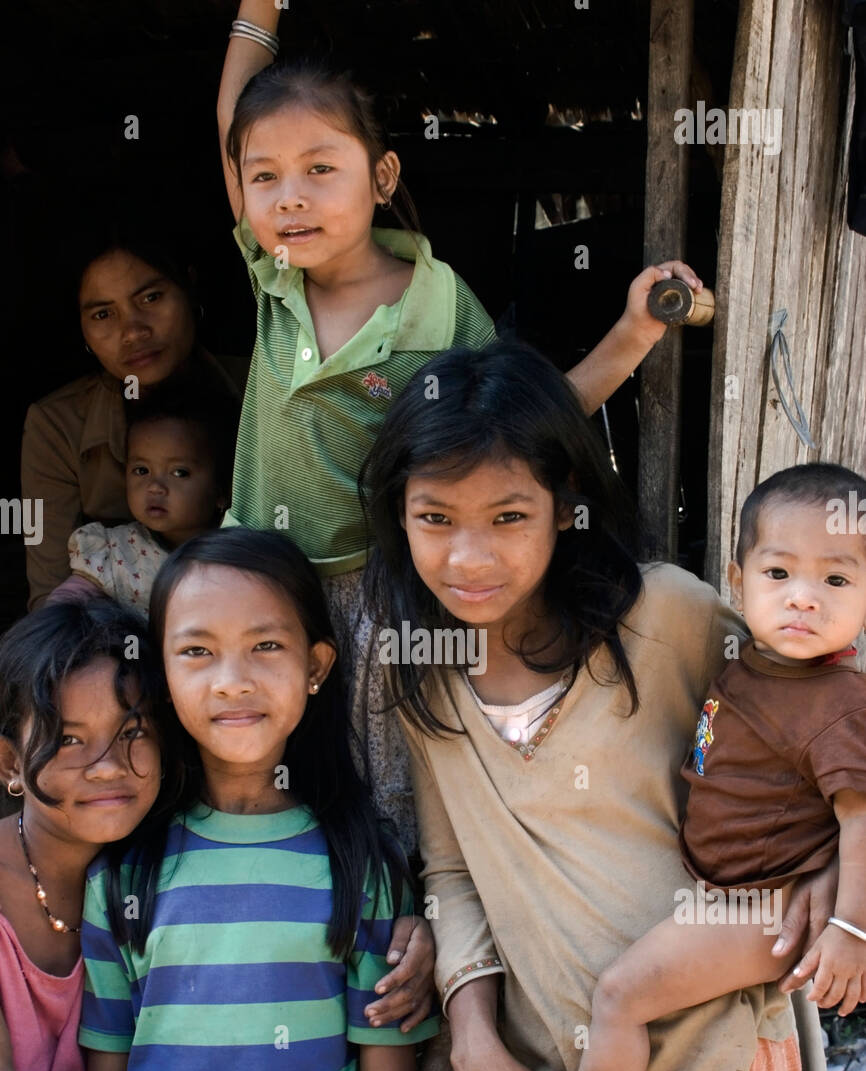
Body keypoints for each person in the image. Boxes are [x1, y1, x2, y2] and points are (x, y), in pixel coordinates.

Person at [361, 340, 844, 1071]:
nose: (470, 555)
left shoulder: (668, 620)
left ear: (566, 503)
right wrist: (475, 1046)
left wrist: (836, 876)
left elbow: (819, 719)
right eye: (434, 518)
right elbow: (453, 875)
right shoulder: (419, 671)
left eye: (509, 516)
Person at [216, 2, 702, 848]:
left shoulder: (438, 307)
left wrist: (634, 333)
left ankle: (403, 919)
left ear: (383, 175)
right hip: (258, 573)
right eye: (265, 178)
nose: (289, 198)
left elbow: (529, 417)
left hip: (376, 590)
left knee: (379, 782)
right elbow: (232, 120)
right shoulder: (273, 273)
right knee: (252, 759)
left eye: (320, 169)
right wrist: (258, 15)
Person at [79, 530, 439, 1071]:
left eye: (265, 646)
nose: (231, 680)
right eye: (197, 652)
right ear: (162, 675)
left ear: (315, 668)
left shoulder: (359, 867)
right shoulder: (124, 876)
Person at [548, 463, 866, 1071]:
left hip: (767, 906)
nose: (804, 600)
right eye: (780, 573)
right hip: (727, 888)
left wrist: (851, 930)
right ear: (738, 576)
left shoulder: (838, 703)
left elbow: (861, 824)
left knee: (622, 995)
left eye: (837, 582)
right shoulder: (753, 662)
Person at [0, 601, 277, 1071]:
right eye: (67, 741)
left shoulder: (169, 873)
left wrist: (413, 927)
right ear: (9, 763)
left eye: (133, 733)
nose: (107, 767)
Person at [20, 239, 241, 609]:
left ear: (188, 288)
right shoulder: (54, 426)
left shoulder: (263, 386)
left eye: (151, 298)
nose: (133, 332)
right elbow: (50, 604)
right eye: (103, 314)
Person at [48, 387, 237, 616]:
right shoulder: (117, 553)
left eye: (179, 473)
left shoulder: (239, 554)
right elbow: (64, 608)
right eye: (141, 470)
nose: (155, 486)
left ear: (222, 491)